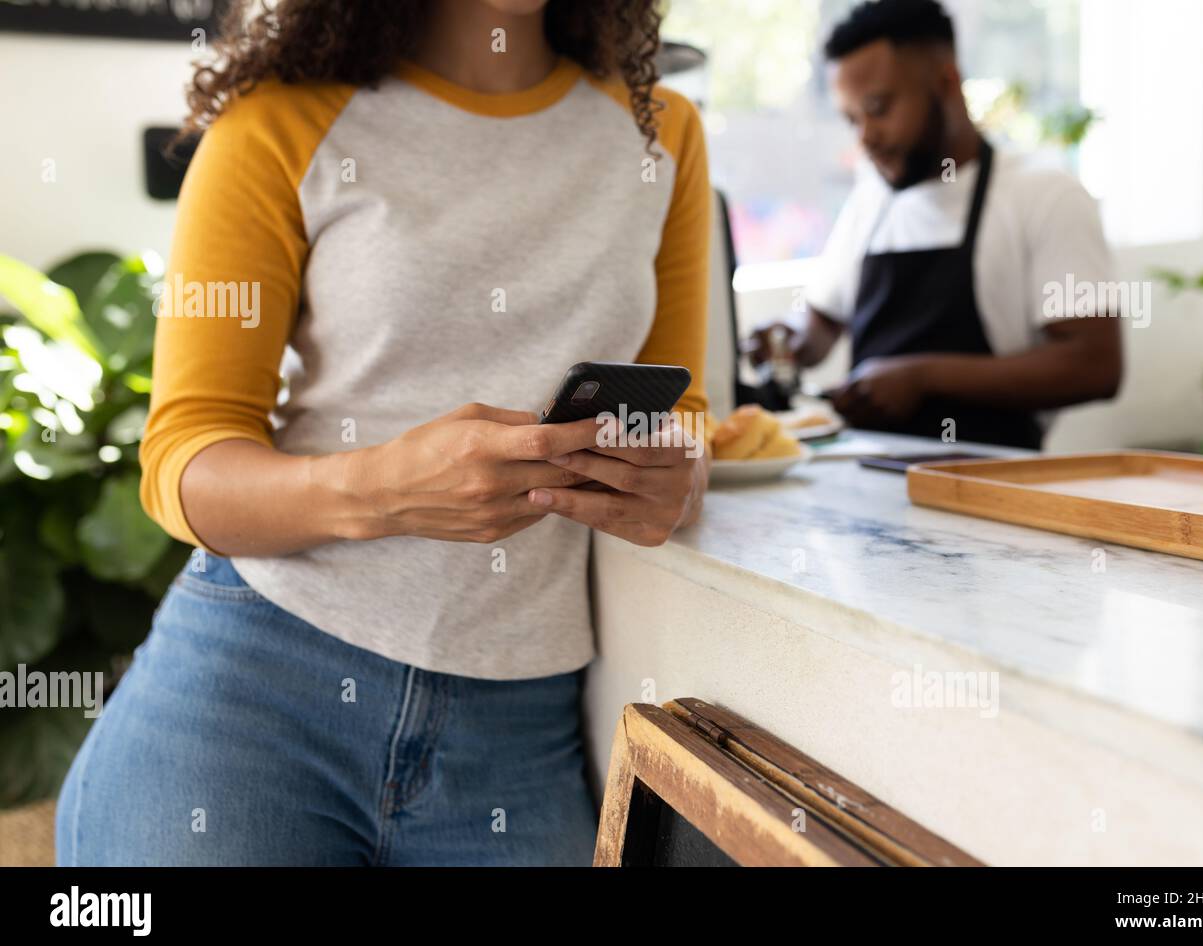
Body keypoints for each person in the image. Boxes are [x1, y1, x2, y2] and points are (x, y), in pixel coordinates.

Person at [55, 0, 713, 866]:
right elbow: (183, 462)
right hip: (254, 697)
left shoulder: (661, 133)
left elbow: (683, 417)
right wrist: (382, 492)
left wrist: (672, 474)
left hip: (520, 723)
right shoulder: (277, 121)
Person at [746, 0, 1122, 449]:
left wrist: (924, 377)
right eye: (852, 119)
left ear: (946, 83)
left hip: (994, 486)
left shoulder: (1045, 196)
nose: (865, 137)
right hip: (864, 482)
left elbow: (1095, 365)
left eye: (879, 108)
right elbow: (822, 326)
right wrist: (788, 342)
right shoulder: (870, 203)